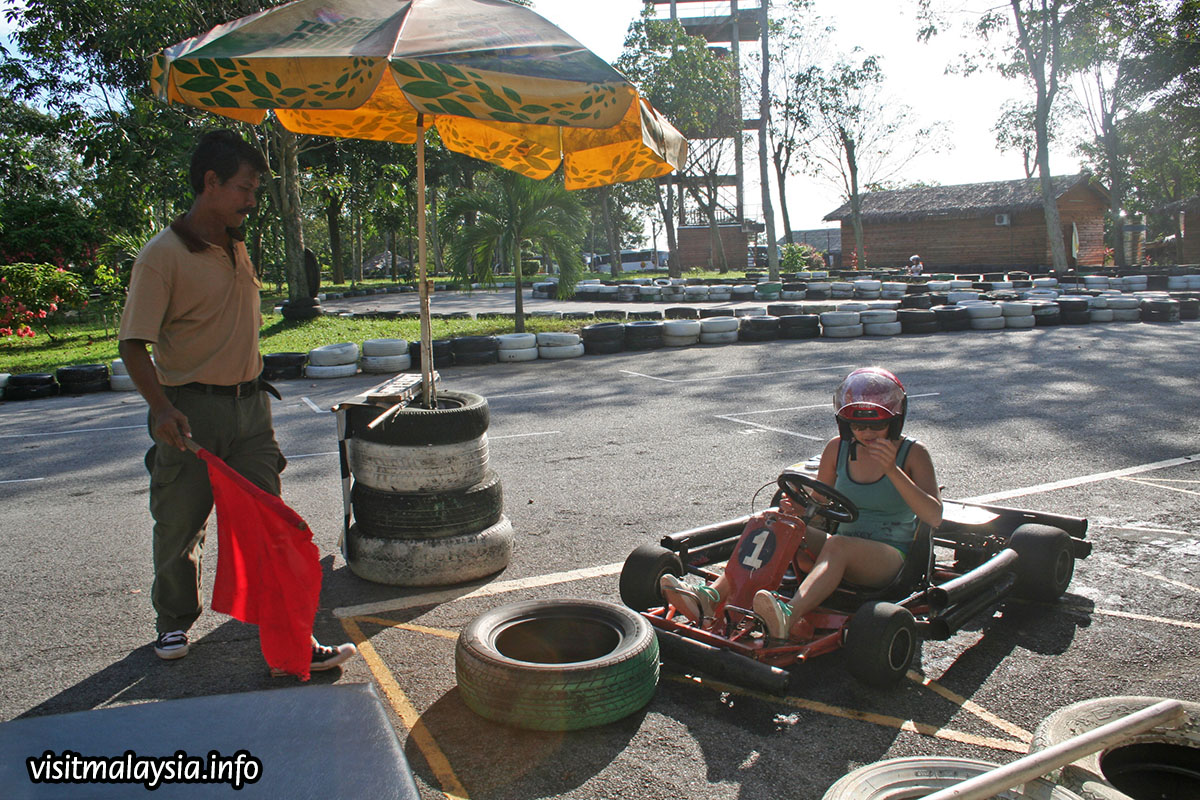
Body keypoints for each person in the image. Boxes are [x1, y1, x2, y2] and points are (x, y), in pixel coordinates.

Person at [118, 130, 356, 673]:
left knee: (270, 524)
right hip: (190, 410)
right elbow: (133, 344)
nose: (252, 200)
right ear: (211, 182)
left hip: (251, 410)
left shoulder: (236, 243)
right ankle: (174, 620)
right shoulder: (161, 256)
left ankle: (291, 640)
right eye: (245, 188)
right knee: (180, 523)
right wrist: (161, 408)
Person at [660, 367, 942, 642]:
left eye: (877, 425)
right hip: (841, 546)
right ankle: (713, 597)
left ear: (894, 421)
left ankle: (788, 616)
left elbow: (934, 516)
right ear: (846, 424)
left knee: (837, 545)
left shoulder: (913, 454)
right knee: (773, 520)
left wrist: (892, 470)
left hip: (890, 557)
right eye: (858, 426)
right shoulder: (838, 448)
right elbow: (820, 504)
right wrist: (798, 510)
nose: (867, 433)